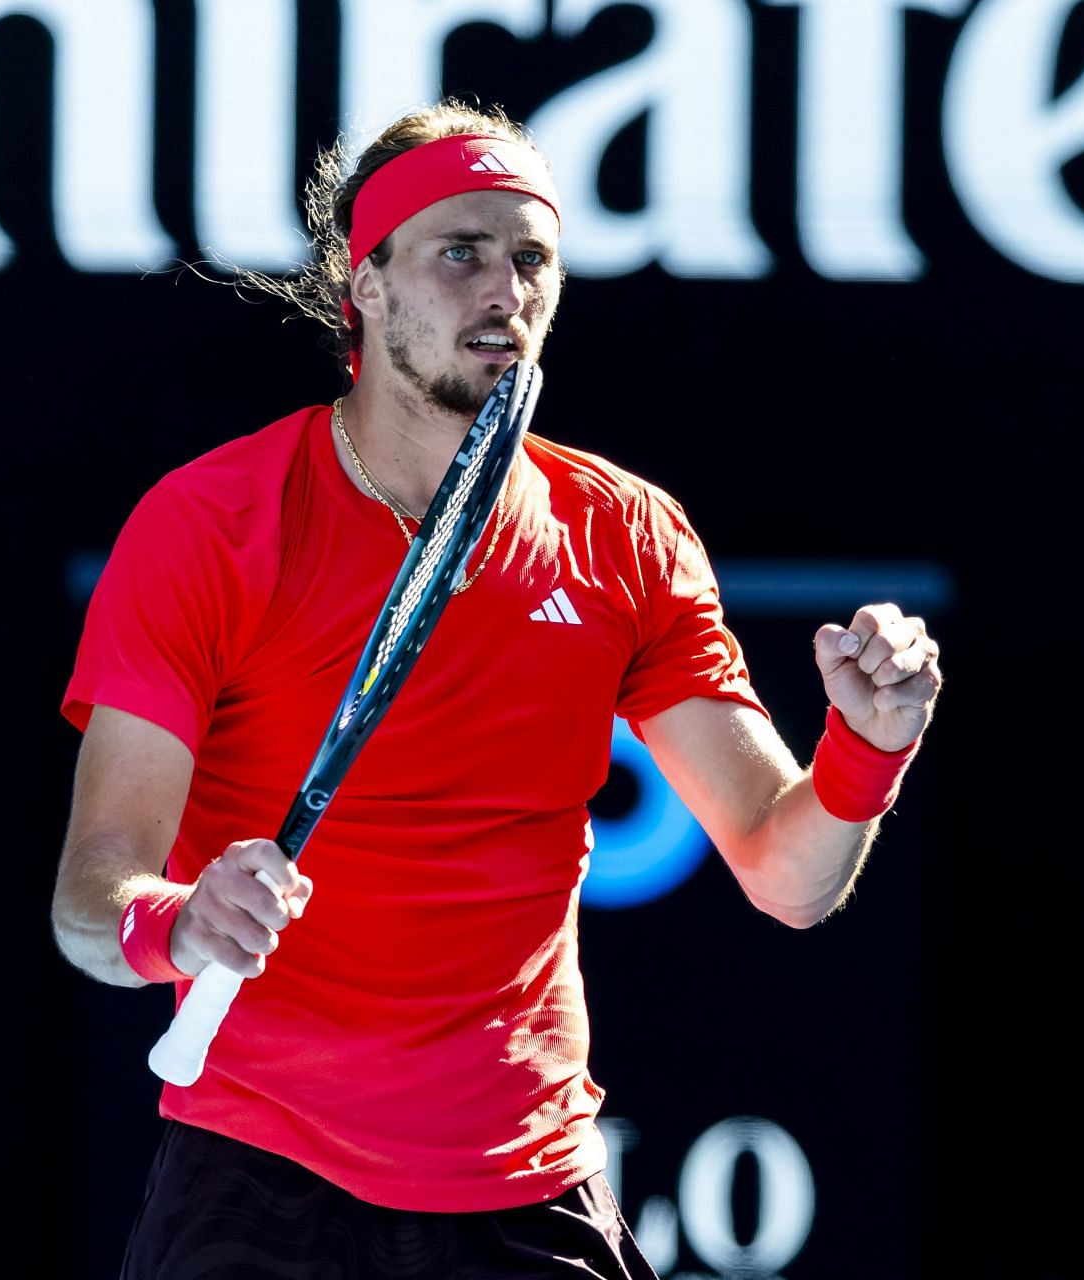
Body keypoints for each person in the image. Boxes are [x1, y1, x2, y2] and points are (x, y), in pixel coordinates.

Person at [51, 98, 943, 1280]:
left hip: (528, 1188)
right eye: (458, 251)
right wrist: (179, 920)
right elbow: (89, 897)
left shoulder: (625, 534)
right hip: (255, 1180)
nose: (504, 290)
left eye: (531, 257)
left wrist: (867, 750)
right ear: (363, 284)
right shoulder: (208, 527)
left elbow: (789, 874)